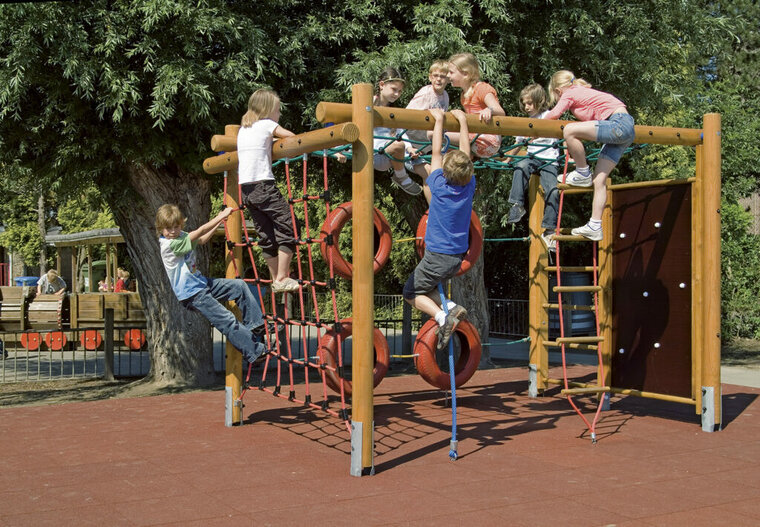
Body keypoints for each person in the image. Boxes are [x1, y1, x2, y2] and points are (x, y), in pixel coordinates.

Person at [155, 204, 267, 365]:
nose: (173, 231)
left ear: (181, 225)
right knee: (227, 319)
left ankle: (256, 325)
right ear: (160, 228)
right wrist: (221, 216)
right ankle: (254, 351)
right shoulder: (169, 245)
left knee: (239, 286)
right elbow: (199, 231)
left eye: (176, 226)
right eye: (168, 228)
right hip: (192, 294)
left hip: (201, 283)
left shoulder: (180, 236)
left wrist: (218, 224)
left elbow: (202, 239)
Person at [403, 108, 475, 350]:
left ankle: (443, 316)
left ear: (444, 172)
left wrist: (439, 119)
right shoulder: (468, 185)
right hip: (455, 258)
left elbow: (436, 149)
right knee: (428, 286)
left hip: (438, 258)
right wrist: (463, 121)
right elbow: (463, 153)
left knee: (411, 292)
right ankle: (451, 308)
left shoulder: (438, 183)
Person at [544, 70, 635, 241]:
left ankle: (582, 172)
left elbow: (554, 114)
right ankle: (595, 225)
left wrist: (533, 128)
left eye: (554, 95)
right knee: (599, 180)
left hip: (618, 123)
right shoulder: (582, 93)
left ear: (557, 90)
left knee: (569, 130)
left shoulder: (570, 92)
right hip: (625, 129)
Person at [237, 88, 303, 294]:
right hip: (263, 186)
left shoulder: (243, 129)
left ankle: (276, 278)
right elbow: (292, 138)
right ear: (267, 110)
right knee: (289, 226)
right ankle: (283, 276)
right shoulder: (267, 124)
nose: (279, 114)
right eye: (277, 110)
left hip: (246, 190)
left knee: (266, 234)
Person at [505, 84, 561, 251]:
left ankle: (549, 229)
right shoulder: (526, 122)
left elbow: (562, 134)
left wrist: (569, 155)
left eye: (530, 103)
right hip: (532, 157)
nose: (526, 107)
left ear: (540, 101)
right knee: (520, 166)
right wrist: (508, 159)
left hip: (550, 159)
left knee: (553, 190)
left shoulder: (549, 116)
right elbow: (519, 143)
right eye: (524, 103)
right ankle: (517, 205)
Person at [403, 60, 450, 202]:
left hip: (426, 147)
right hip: (410, 146)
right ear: (430, 77)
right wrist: (408, 146)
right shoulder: (425, 93)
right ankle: (434, 209)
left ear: (448, 79)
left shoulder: (445, 96)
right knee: (431, 174)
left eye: (442, 76)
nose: (438, 79)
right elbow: (404, 119)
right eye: (435, 75)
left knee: (439, 175)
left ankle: (435, 207)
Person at [370, 67, 422, 195]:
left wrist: (410, 149)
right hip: (374, 153)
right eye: (394, 89)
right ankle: (401, 176)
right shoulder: (371, 103)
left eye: (400, 91)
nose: (397, 94)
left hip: (389, 154)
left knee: (407, 148)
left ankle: (402, 171)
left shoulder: (393, 110)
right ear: (382, 85)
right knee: (398, 145)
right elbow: (355, 124)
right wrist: (343, 149)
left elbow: (401, 132)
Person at [445, 52, 505, 158]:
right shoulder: (464, 95)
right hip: (475, 140)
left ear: (465, 74)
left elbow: (500, 111)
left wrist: (489, 110)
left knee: (434, 134)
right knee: (445, 148)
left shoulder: (481, 88)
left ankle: (465, 158)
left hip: (488, 139)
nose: (448, 75)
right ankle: (464, 160)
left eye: (451, 72)